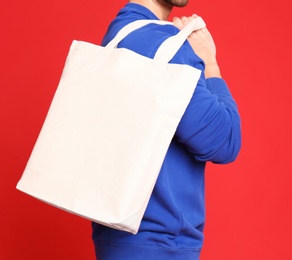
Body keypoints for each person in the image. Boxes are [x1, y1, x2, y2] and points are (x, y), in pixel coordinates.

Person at [91, 0, 241, 259]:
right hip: (159, 243)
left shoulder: (121, 33)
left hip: (123, 240)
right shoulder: (164, 45)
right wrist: (210, 63)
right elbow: (225, 141)